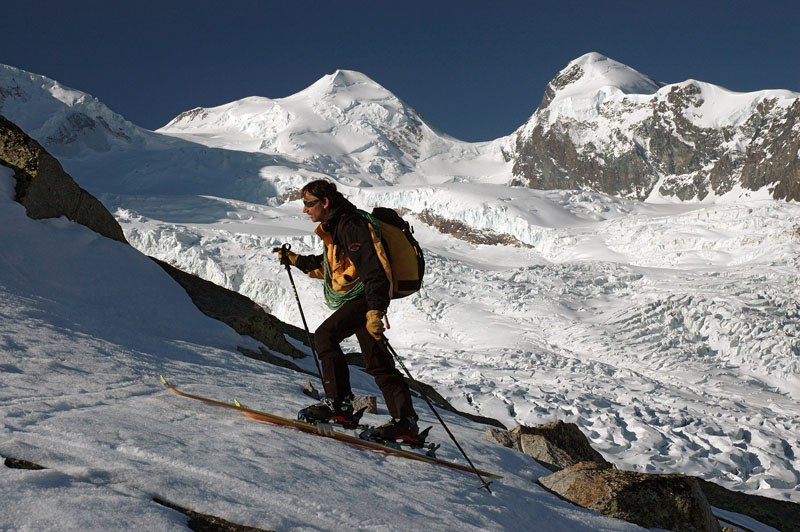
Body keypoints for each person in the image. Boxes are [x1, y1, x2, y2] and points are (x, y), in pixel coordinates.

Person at [274, 180, 420, 442]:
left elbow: (374, 270)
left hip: (367, 297)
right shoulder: (339, 226)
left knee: (325, 336)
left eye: (308, 204)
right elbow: (332, 267)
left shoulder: (350, 225)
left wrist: (375, 310)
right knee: (377, 359)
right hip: (367, 297)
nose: (305, 210)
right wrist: (297, 261)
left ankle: (339, 406)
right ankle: (404, 423)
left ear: (325, 202)